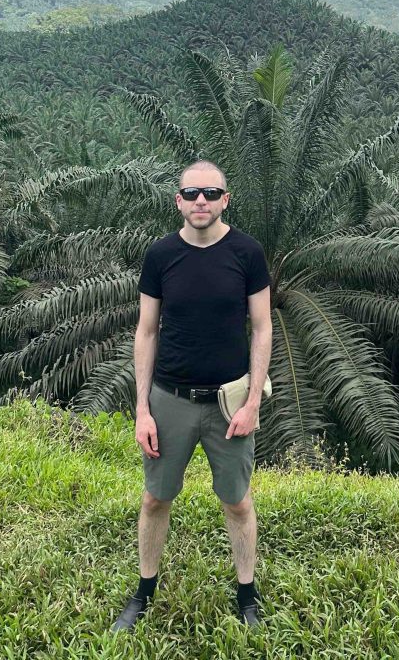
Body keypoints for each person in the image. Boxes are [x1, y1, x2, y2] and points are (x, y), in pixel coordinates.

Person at [111, 160, 273, 632]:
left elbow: (262, 328)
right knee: (155, 500)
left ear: (225, 199)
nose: (201, 200)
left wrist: (252, 403)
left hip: (229, 403)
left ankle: (247, 596)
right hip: (170, 399)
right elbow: (146, 332)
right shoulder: (161, 256)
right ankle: (144, 592)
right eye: (192, 193)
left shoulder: (247, 253)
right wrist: (142, 409)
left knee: (238, 502)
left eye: (211, 192)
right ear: (178, 201)